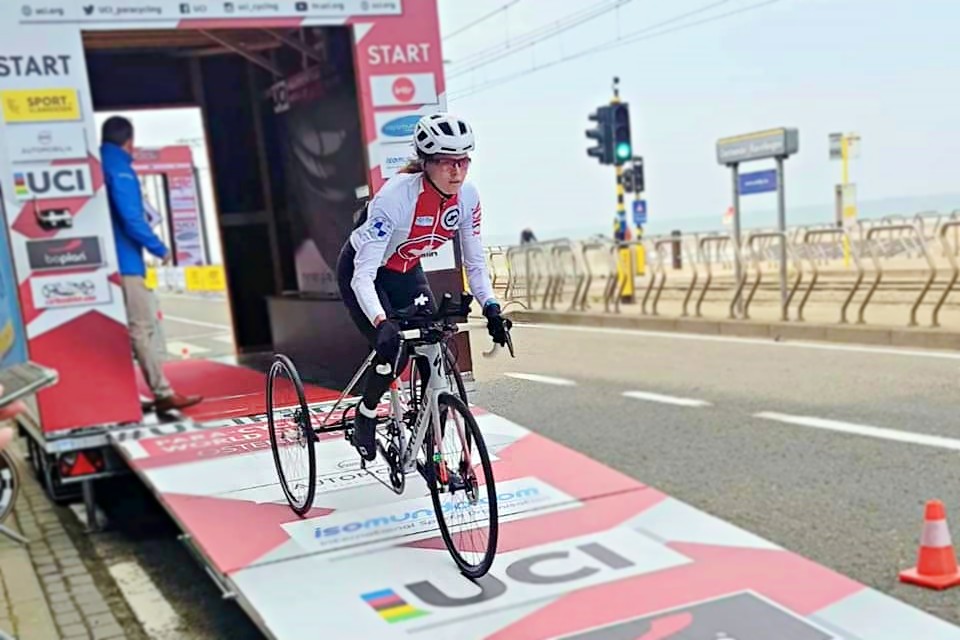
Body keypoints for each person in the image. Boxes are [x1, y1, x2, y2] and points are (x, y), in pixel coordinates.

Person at [337, 112, 510, 461]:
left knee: (436, 348)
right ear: (427, 164)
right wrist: (380, 322)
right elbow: (362, 275)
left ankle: (432, 451)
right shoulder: (395, 199)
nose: (456, 172)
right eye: (447, 163)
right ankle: (366, 415)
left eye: (463, 162)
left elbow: (474, 263)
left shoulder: (467, 199)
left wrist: (491, 307)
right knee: (393, 350)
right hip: (365, 271)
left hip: (404, 269)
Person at [100, 116, 202, 415]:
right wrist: (160, 248)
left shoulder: (98, 164)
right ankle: (163, 392)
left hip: (106, 262)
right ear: (129, 142)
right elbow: (132, 217)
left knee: (122, 332)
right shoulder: (120, 168)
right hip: (126, 264)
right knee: (141, 329)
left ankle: (128, 393)